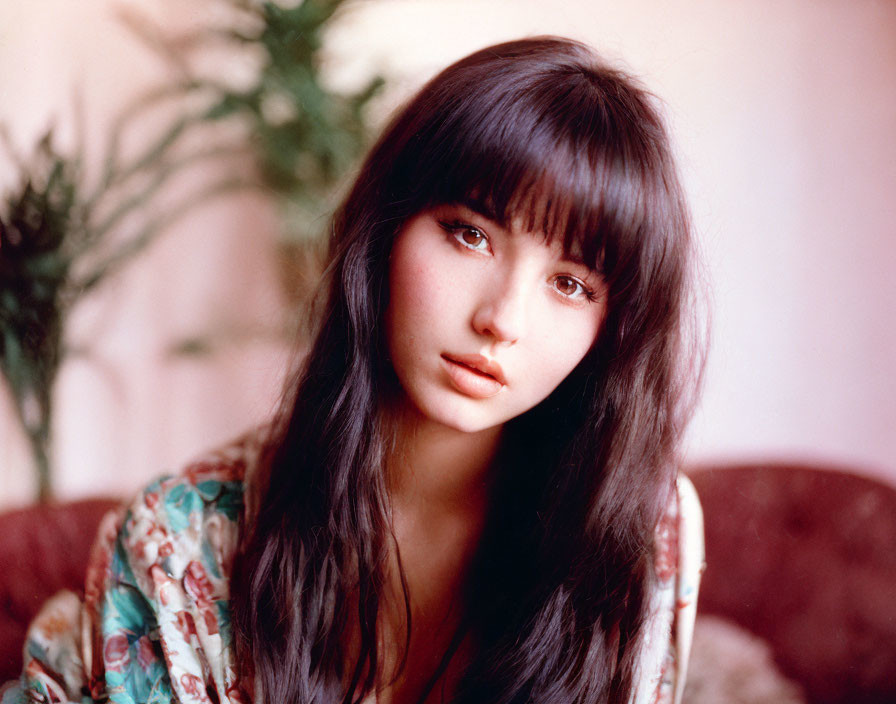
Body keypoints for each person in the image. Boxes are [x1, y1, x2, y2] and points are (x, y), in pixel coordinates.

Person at [2, 36, 705, 704]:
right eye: (470, 234)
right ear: (385, 232)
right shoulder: (178, 544)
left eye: (571, 283)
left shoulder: (636, 531)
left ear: (612, 331)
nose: (503, 319)